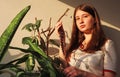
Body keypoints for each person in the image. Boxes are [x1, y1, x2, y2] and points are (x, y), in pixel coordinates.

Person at [55, 3, 117, 77]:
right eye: (77, 18)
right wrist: (62, 38)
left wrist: (83, 73)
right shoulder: (75, 45)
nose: (81, 21)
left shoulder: (107, 44)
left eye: (85, 16)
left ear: (94, 19)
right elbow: (64, 66)